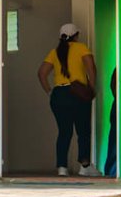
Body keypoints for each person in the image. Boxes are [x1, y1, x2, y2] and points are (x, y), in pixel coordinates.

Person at [38, 23, 99, 176]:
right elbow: (91, 68)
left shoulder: (54, 52)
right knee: (83, 131)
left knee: (64, 132)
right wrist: (91, 88)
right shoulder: (81, 48)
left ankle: (62, 167)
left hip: (59, 95)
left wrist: (50, 92)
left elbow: (41, 73)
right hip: (78, 93)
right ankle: (84, 166)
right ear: (76, 35)